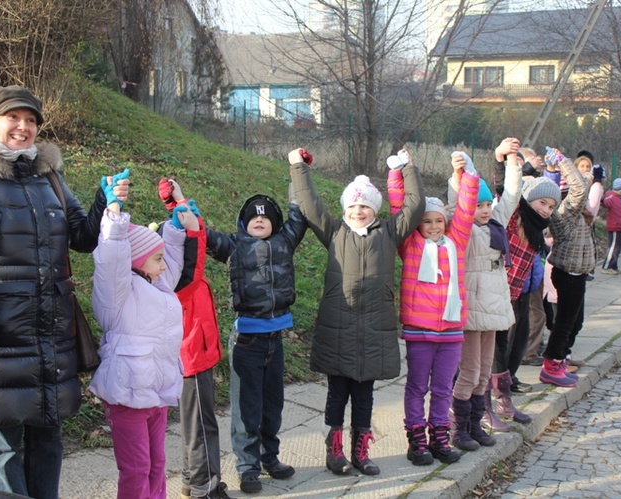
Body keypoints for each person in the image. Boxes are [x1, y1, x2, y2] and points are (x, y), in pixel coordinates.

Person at [0, 85, 129, 498]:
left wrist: (103, 202)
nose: (23, 127)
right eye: (13, 118)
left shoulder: (49, 175)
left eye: (31, 119)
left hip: (50, 332)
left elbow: (82, 238)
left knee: (48, 437)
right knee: (0, 446)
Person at [289, 147, 425, 476]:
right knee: (338, 392)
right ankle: (334, 448)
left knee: (364, 395)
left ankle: (360, 449)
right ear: (345, 208)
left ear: (375, 209)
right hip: (339, 326)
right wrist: (298, 167)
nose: (359, 211)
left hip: (375, 329)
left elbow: (415, 206)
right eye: (353, 205)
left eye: (365, 205)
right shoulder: (334, 232)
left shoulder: (389, 233)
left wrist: (408, 168)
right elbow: (309, 205)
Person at [89, 173, 191, 499]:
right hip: (127, 395)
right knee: (136, 468)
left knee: (157, 464)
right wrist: (115, 215)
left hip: (155, 394)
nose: (164, 267)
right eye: (157, 259)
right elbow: (112, 255)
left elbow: (171, 261)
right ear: (136, 260)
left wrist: (174, 228)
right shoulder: (116, 291)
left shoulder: (156, 284)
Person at [205, 181, 307, 494]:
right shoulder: (235, 245)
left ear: (274, 223)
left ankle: (269, 457)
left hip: (275, 340)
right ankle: (247, 467)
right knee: (246, 409)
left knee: (273, 405)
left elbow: (299, 217)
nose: (259, 220)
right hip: (247, 341)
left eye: (264, 217)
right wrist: (184, 212)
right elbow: (206, 238)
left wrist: (296, 180)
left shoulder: (284, 241)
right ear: (243, 224)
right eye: (252, 218)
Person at [389, 150, 478, 464]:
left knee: (442, 390)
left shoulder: (457, 242)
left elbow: (466, 209)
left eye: (438, 220)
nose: (433, 225)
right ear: (418, 225)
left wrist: (467, 174)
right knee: (416, 387)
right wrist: (397, 172)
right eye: (426, 221)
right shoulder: (410, 245)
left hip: (451, 333)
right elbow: (400, 207)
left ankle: (439, 437)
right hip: (419, 331)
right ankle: (416, 440)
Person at [157, 179, 230, 499]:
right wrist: (193, 228)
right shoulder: (180, 278)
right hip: (191, 354)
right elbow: (193, 257)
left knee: (197, 421)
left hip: (196, 350)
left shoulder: (179, 267)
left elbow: (189, 244)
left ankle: (193, 478)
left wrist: (178, 202)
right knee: (201, 423)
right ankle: (204, 486)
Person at [451, 138, 521, 443]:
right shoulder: (463, 226)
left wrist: (511, 161)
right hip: (472, 302)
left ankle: (476, 423)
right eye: (478, 204)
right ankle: (458, 427)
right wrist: (458, 176)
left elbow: (513, 195)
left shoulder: (497, 222)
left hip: (495, 306)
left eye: (487, 204)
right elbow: (457, 203)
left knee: (483, 374)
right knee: (468, 372)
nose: (483, 209)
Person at [494, 163, 562, 424]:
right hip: (500, 293)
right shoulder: (515, 217)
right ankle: (499, 400)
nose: (545, 209)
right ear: (529, 200)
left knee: (519, 344)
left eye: (550, 206)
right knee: (500, 347)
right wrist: (505, 160)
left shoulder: (538, 229)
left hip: (521, 292)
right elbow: (505, 190)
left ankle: (506, 390)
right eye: (541, 203)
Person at [540, 149, 595, 387]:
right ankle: (551, 364)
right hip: (568, 273)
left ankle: (560, 359)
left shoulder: (575, 212)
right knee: (564, 322)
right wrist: (563, 161)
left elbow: (585, 183)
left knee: (575, 321)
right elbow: (580, 188)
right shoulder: (564, 213)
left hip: (578, 273)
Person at [600, 178, 621, 275]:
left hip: (619, 225)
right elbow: (605, 202)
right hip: (614, 226)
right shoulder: (612, 197)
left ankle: (614, 265)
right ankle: (606, 266)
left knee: (617, 247)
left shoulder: (618, 198)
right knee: (613, 247)